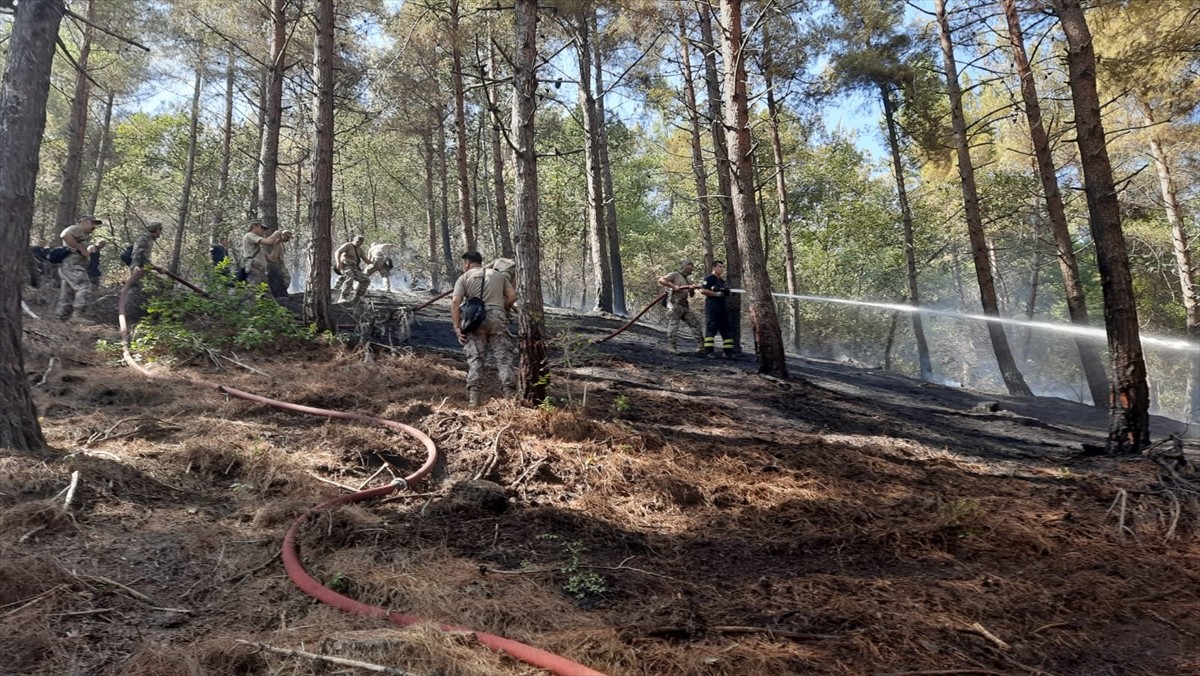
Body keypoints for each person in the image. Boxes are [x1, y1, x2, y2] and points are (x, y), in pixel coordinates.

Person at [451, 251, 517, 407]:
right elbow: (513, 296)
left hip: (475, 319)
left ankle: (474, 402)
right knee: (503, 359)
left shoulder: (464, 278)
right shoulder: (498, 275)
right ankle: (511, 399)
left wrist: (457, 327)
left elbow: (455, 303)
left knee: (475, 360)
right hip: (498, 317)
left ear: (467, 263)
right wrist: (503, 308)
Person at [54, 215, 103, 322]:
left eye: (96, 224)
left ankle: (61, 317)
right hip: (72, 265)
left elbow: (87, 249)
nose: (94, 226)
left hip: (70, 266)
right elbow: (64, 234)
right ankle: (78, 315)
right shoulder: (76, 228)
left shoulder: (83, 235)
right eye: (92, 223)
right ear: (83, 222)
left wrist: (97, 247)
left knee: (68, 291)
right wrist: (81, 249)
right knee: (84, 285)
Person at [657, 259, 705, 354]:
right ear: (683, 266)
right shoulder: (675, 275)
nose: (691, 267)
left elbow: (691, 295)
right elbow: (661, 280)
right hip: (674, 303)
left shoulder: (689, 280)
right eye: (689, 265)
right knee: (674, 324)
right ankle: (671, 347)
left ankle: (701, 347)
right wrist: (673, 286)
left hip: (684, 305)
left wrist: (692, 289)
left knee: (695, 323)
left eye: (692, 266)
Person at [698, 259, 735, 358]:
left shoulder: (722, 281)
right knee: (711, 328)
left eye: (723, 267)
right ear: (714, 267)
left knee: (726, 329)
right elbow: (703, 290)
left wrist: (726, 292)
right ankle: (709, 351)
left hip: (722, 307)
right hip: (712, 306)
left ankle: (728, 352)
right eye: (720, 267)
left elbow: (725, 292)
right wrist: (715, 293)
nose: (722, 269)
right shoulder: (709, 278)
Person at [241, 220, 286, 288]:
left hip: (261, 274)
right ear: (254, 226)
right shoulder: (249, 235)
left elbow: (273, 258)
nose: (263, 230)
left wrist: (277, 243)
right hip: (253, 273)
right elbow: (269, 241)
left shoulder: (257, 252)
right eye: (261, 228)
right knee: (256, 293)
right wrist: (277, 233)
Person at [334, 235, 370, 302]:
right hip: (345, 265)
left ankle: (357, 297)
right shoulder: (348, 245)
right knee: (349, 277)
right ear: (354, 240)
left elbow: (366, 260)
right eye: (358, 242)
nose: (359, 244)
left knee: (366, 280)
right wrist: (338, 263)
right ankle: (343, 297)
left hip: (354, 267)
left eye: (361, 243)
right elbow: (337, 252)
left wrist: (375, 261)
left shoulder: (360, 250)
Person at [264, 227, 292, 298]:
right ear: (283, 235)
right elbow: (274, 257)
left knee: (283, 279)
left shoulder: (280, 243)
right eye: (287, 237)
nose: (288, 239)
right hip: (278, 265)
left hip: (279, 264)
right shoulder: (277, 243)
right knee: (286, 278)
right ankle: (280, 293)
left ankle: (280, 293)